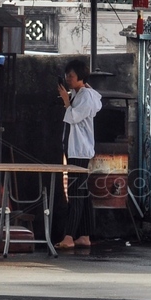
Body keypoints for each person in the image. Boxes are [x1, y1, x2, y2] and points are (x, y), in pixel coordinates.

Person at [56, 59, 102, 250]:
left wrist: (66, 102)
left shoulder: (86, 96)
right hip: (76, 149)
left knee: (75, 192)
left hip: (80, 150)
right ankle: (84, 235)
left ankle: (69, 236)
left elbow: (74, 117)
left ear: (81, 77)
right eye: (67, 75)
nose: (68, 79)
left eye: (71, 76)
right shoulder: (80, 93)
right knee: (82, 192)